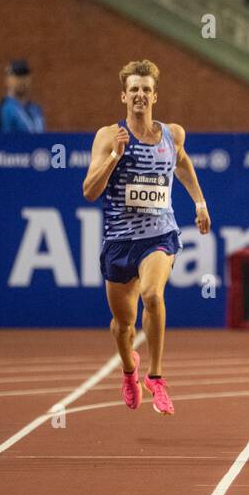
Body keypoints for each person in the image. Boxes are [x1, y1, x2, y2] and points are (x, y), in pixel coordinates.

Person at [82, 60, 211, 416]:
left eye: (146, 89)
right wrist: (114, 157)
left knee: (153, 295)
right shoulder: (109, 136)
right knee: (122, 325)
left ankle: (156, 378)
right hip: (119, 242)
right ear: (124, 96)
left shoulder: (173, 134)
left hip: (160, 234)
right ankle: (129, 370)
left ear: (155, 95)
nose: (140, 95)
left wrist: (199, 202)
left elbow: (182, 164)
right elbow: (90, 191)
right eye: (134, 89)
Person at [0, 60, 45, 133]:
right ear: (7, 80)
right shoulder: (3, 109)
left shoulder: (35, 109)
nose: (21, 80)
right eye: (17, 76)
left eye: (25, 76)